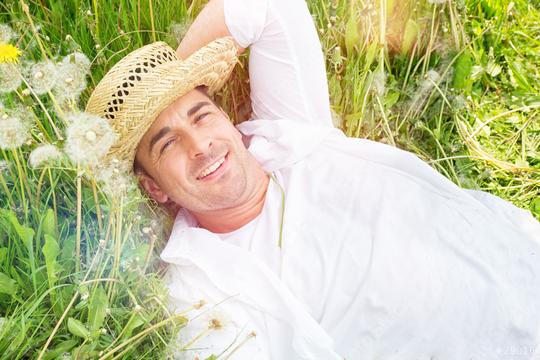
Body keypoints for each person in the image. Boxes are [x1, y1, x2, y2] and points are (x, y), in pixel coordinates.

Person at [86, 0, 540, 358]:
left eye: (201, 115)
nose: (200, 145)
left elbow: (265, 6)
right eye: (166, 144)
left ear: (226, 116)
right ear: (155, 187)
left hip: (519, 273)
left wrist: (166, 86)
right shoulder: (199, 286)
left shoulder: (292, 132)